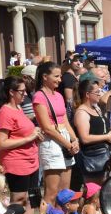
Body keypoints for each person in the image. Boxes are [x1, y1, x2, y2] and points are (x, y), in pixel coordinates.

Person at [33, 62, 79, 204]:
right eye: (56, 76)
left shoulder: (59, 95)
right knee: (52, 193)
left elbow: (65, 121)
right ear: (45, 77)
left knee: (65, 193)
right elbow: (47, 128)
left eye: (60, 76)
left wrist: (74, 140)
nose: (60, 80)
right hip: (51, 142)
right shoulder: (39, 97)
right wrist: (68, 145)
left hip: (64, 138)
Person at [0, 75, 42, 208]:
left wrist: (35, 136)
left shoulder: (19, 108)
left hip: (31, 161)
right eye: (22, 91)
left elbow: (21, 132)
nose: (25, 94)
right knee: (20, 200)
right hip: (17, 163)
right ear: (11, 92)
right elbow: (1, 143)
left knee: (33, 200)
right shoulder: (5, 112)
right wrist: (29, 138)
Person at [74, 78, 111, 183]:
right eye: (97, 92)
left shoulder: (96, 109)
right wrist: (107, 136)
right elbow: (84, 138)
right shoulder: (82, 113)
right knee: (94, 189)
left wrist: (110, 129)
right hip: (93, 159)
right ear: (87, 94)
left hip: (104, 156)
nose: (99, 94)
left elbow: (97, 127)